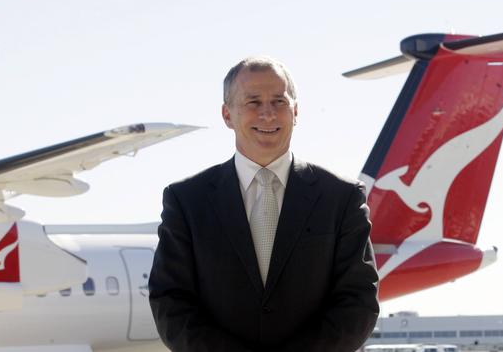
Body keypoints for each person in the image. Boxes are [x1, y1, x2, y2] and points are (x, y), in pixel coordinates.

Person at [149, 56, 379, 352]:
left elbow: (358, 300)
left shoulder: (342, 197)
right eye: (253, 102)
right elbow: (170, 300)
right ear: (227, 115)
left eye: (279, 102)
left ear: (295, 111)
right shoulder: (186, 200)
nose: (268, 114)